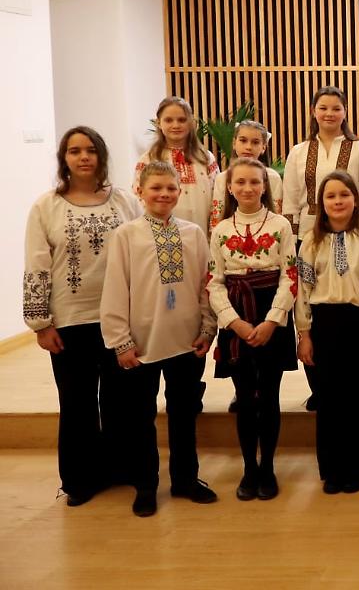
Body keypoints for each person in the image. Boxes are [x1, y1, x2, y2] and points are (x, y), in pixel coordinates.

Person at [23, 126, 140, 506]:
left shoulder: (123, 201)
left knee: (121, 400)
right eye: (75, 151)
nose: (83, 157)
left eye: (90, 150)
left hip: (120, 318)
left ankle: (120, 468)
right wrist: (40, 322)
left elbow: (143, 252)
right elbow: (37, 264)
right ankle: (79, 479)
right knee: (77, 402)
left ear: (101, 156)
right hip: (71, 320)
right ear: (64, 159)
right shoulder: (47, 206)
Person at [100, 160, 218, 517]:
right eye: (156, 188)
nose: (164, 194)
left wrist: (207, 328)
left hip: (186, 340)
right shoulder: (127, 235)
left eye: (170, 188)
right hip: (142, 342)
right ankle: (146, 485)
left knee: (184, 414)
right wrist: (120, 340)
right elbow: (116, 289)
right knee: (141, 418)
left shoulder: (193, 233)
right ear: (140, 191)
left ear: (179, 193)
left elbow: (205, 284)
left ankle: (185, 479)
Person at [283, 86, 359, 411]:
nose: (329, 113)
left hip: (355, 235)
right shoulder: (299, 151)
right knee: (310, 305)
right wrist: (292, 240)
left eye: (336, 108)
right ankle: (320, 386)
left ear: (344, 112)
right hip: (310, 237)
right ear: (313, 111)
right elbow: (290, 196)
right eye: (323, 107)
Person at [295, 171, 359, 495]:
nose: (338, 201)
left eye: (344, 195)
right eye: (331, 196)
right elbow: (303, 290)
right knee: (331, 398)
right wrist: (304, 334)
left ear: (355, 200)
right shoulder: (311, 241)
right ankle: (333, 468)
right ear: (321, 203)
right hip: (325, 324)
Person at [207, 157, 298, 501]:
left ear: (265, 186)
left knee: (269, 396)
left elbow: (291, 275)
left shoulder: (280, 225)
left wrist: (273, 319)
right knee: (245, 397)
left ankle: (269, 467)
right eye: (240, 182)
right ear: (229, 187)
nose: (247, 188)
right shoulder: (220, 229)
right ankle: (249, 468)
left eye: (254, 182)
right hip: (237, 314)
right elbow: (213, 282)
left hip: (271, 312)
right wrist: (237, 323)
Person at [133, 96, 219, 235]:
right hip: (158, 236)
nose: (176, 125)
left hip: (200, 235)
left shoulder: (206, 158)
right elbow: (139, 198)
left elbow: (218, 200)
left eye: (182, 120)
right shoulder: (148, 159)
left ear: (191, 123)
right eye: (168, 120)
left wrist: (213, 234)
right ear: (158, 123)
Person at [210, 119, 283, 228]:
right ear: (234, 143)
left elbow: (276, 215)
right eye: (243, 140)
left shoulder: (273, 178)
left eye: (255, 142)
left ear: (263, 147)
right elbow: (218, 218)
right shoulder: (222, 178)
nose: (248, 147)